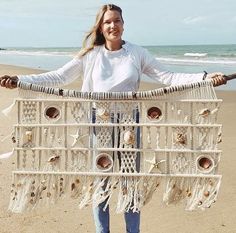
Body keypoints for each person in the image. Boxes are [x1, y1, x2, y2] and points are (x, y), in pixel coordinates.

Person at [0, 4, 227, 233]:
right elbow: (58, 77)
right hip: (100, 124)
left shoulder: (137, 53)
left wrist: (205, 77)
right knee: (102, 181)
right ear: (101, 26)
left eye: (117, 21)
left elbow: (168, 77)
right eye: (108, 22)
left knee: (130, 182)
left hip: (130, 123)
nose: (113, 25)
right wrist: (20, 79)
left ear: (123, 24)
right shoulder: (91, 55)